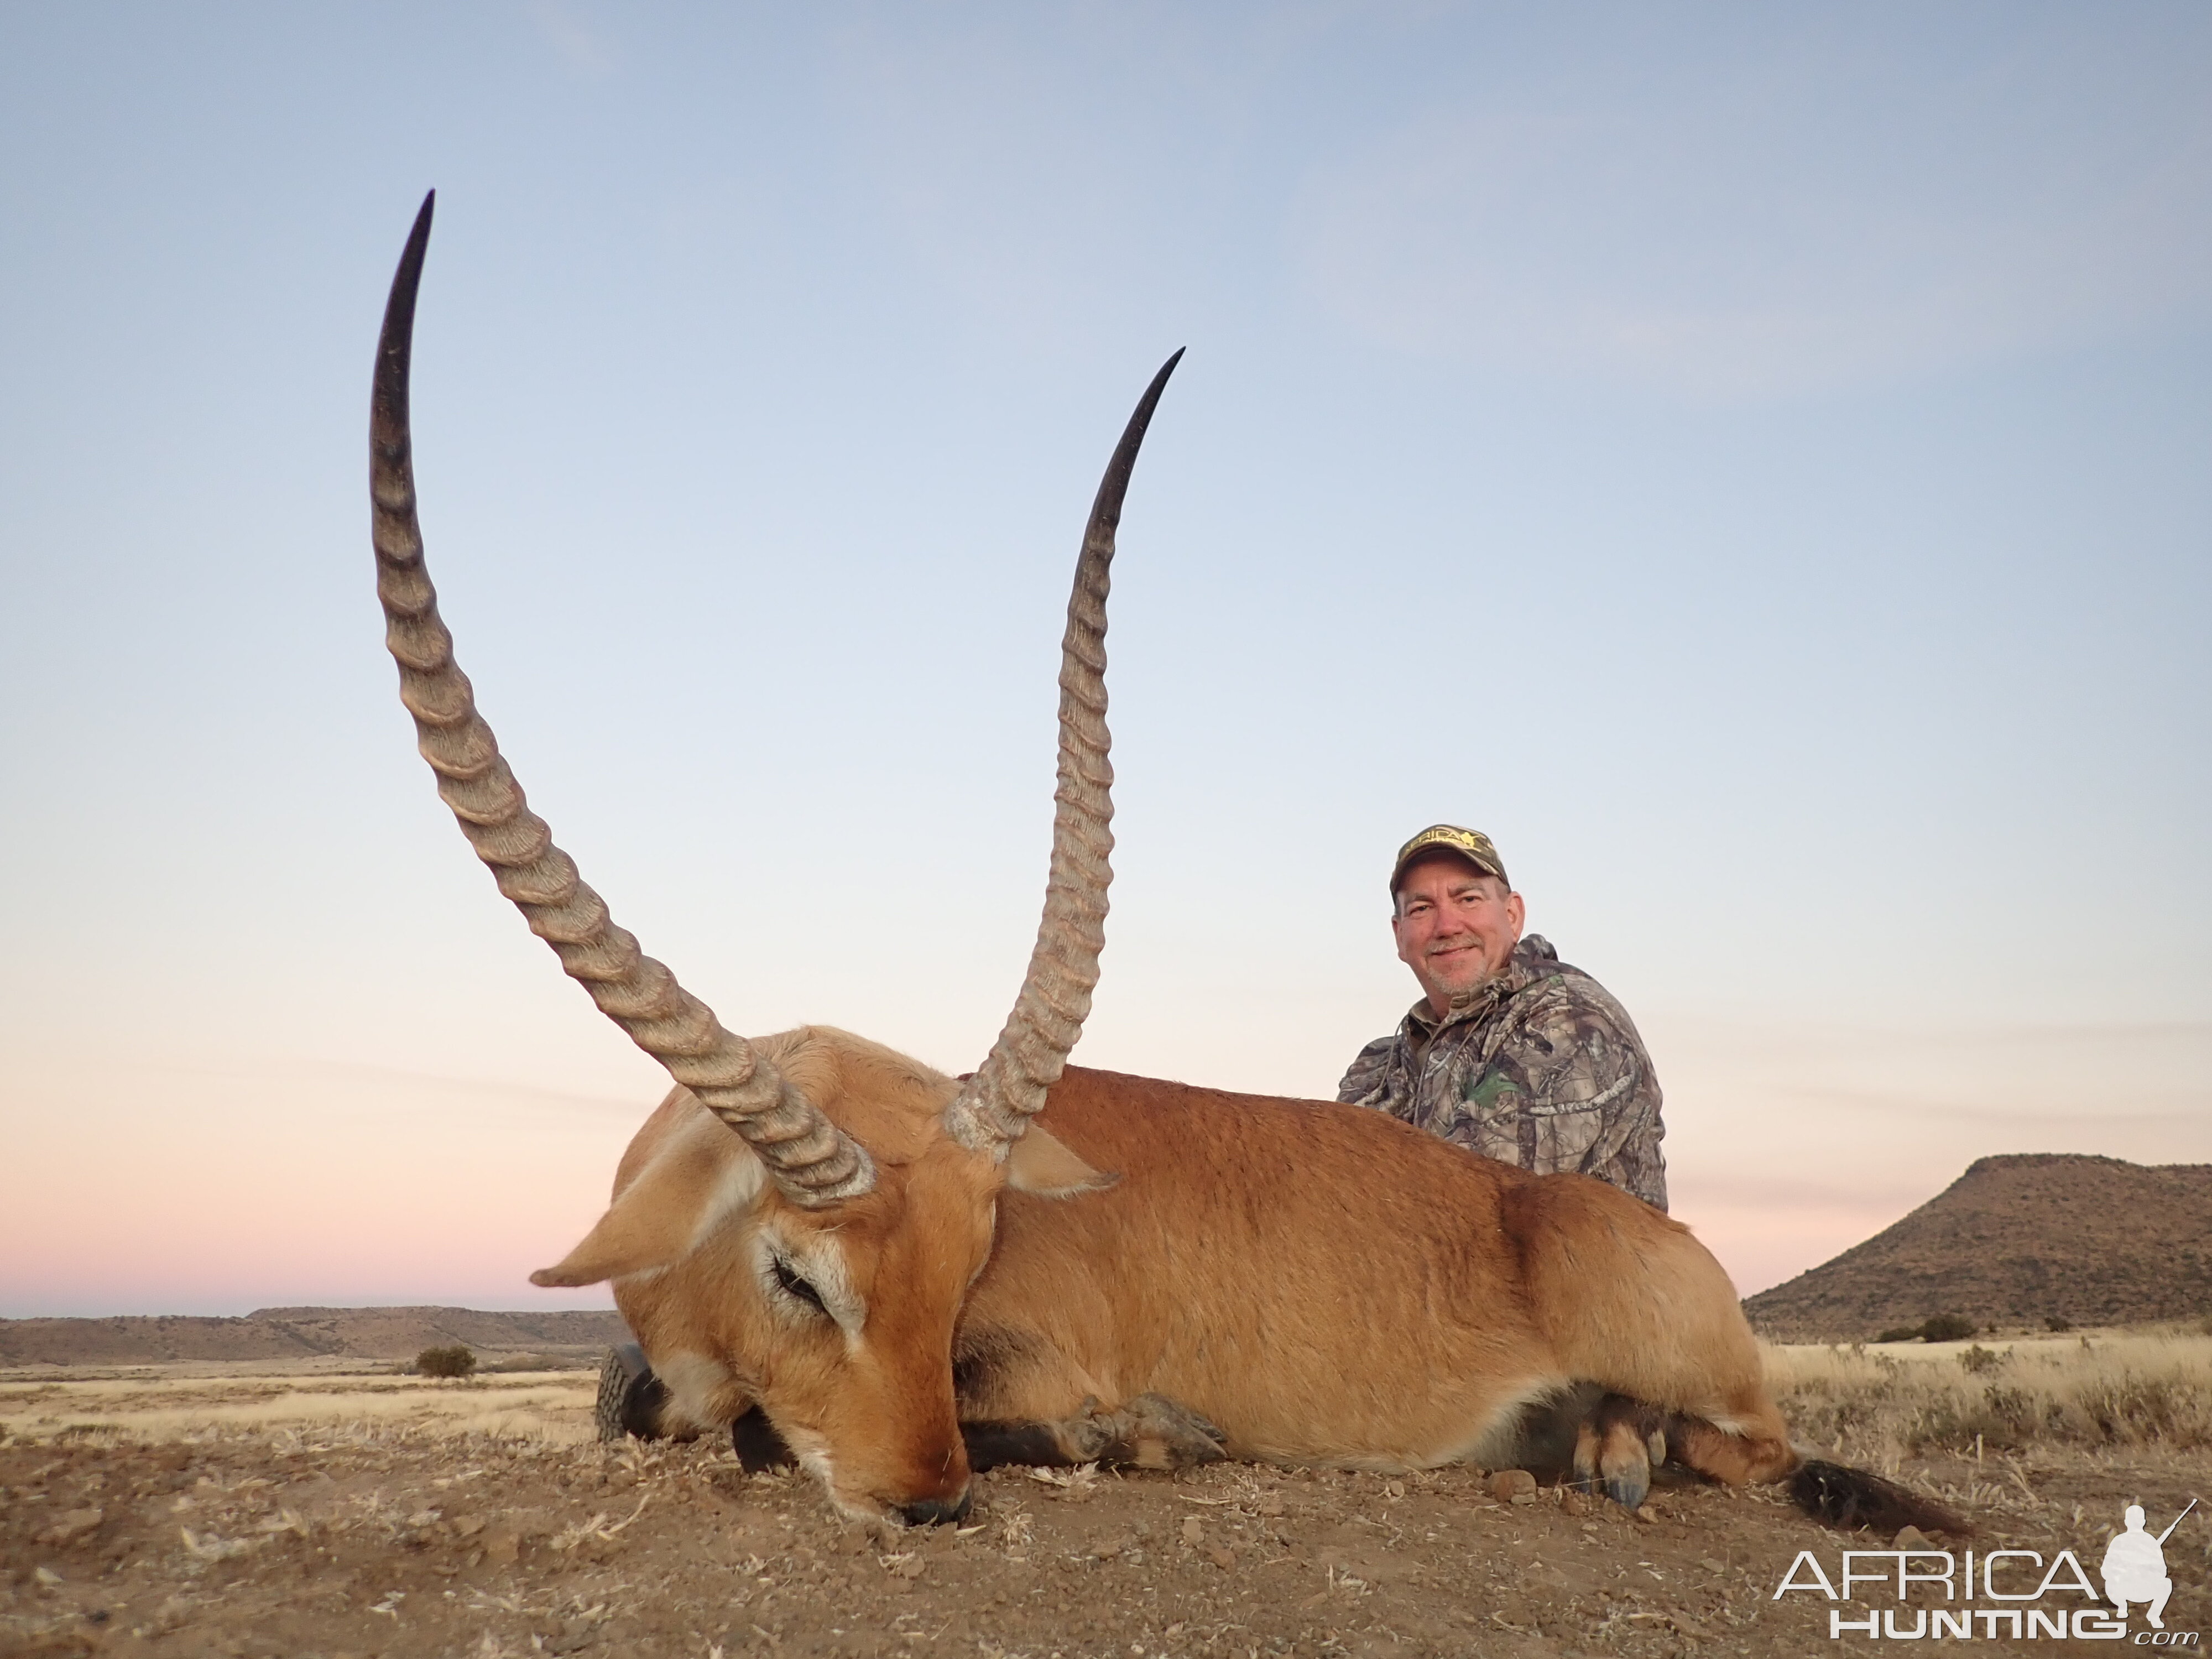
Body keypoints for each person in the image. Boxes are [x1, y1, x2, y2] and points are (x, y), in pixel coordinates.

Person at [1338, 825, 1668, 1211]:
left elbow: (1471, 1200)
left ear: (1513, 916)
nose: (1447, 925)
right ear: (1399, 935)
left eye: (1468, 899)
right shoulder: (1378, 1069)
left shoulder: (1570, 1021)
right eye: (1422, 908)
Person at [2101, 1504, 2176, 1629]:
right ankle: (2123, 1607)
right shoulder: (2123, 1541)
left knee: (2166, 1583)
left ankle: (2152, 1615)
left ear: (2126, 1522)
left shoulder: (2145, 1542)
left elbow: (2161, 1571)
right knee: (2166, 1584)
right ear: (2144, 1522)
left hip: (2141, 1587)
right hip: (2126, 1587)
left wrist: (2145, 1569)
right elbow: (2107, 1570)